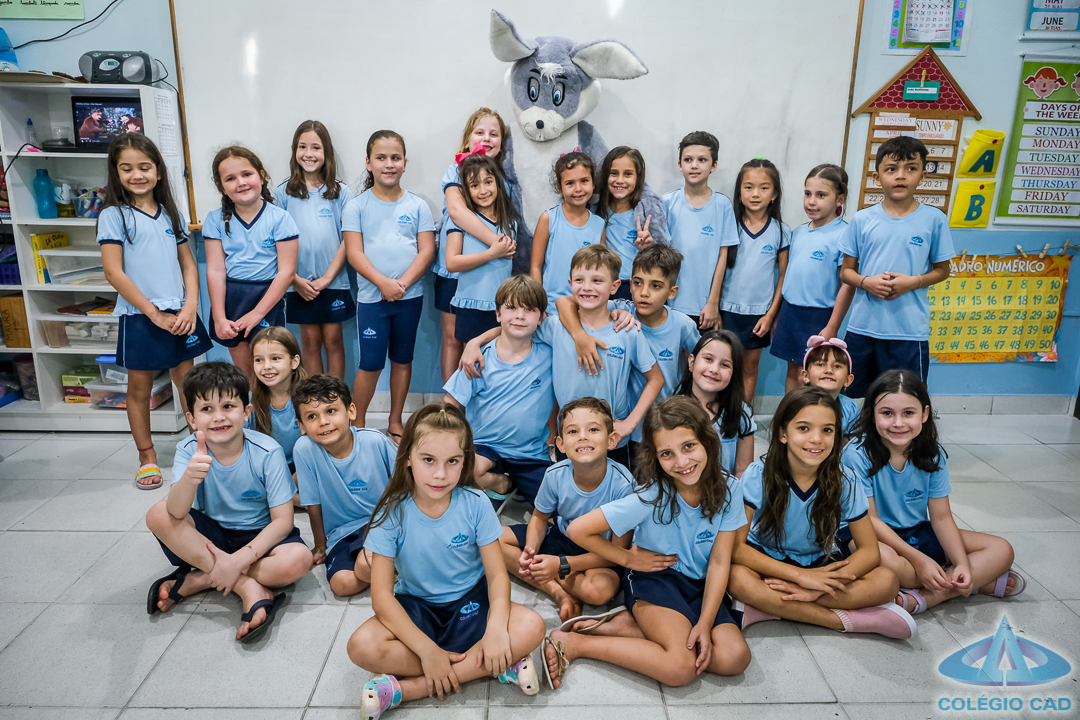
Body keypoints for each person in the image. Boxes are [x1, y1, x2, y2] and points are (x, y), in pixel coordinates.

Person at [346, 403, 545, 718]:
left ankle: (404, 690)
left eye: (453, 461)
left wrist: (495, 629)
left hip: (471, 604)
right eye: (428, 460)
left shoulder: (476, 502)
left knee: (533, 626)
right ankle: (495, 664)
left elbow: (497, 576)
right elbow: (382, 597)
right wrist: (427, 651)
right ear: (407, 457)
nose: (440, 474)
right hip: (417, 606)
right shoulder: (391, 511)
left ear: (465, 460)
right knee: (361, 646)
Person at [545, 396, 751, 689]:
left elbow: (719, 562)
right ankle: (576, 644)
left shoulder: (730, 488)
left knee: (735, 658)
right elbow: (579, 530)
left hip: (699, 584)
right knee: (680, 669)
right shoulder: (651, 495)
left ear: (707, 441)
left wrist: (705, 623)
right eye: (667, 453)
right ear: (655, 456)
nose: (682, 462)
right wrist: (628, 559)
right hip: (655, 578)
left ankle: (629, 627)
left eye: (689, 446)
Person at [729, 386, 917, 639]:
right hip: (766, 558)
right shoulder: (757, 474)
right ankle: (841, 620)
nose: (816, 439)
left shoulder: (846, 479)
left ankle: (769, 607)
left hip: (819, 561)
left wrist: (815, 588)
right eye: (803, 428)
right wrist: (801, 577)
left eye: (827, 430)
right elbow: (736, 548)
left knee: (887, 581)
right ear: (783, 433)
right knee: (736, 578)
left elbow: (870, 552)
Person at [144, 362, 313, 643]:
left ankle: (201, 578)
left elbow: (283, 522)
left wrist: (239, 560)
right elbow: (175, 512)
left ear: (246, 412)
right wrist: (189, 479)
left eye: (228, 406)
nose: (218, 417)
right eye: (206, 409)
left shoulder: (267, 451)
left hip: (258, 537)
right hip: (209, 537)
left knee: (298, 560)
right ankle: (247, 587)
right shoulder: (188, 450)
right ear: (192, 419)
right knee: (158, 513)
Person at [841, 370, 1025, 614]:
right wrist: (920, 560)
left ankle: (928, 594)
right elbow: (870, 520)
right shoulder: (856, 454)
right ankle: (968, 584)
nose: (898, 423)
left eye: (909, 413)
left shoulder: (933, 454)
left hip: (916, 530)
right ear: (872, 414)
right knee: (884, 561)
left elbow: (941, 518)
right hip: (867, 533)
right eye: (887, 413)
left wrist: (962, 563)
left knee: (1002, 549)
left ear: (925, 414)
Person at [97, 133, 212, 489]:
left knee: (187, 382)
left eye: (145, 167)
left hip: (179, 313)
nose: (137, 175)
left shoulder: (170, 214)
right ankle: (147, 457)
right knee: (139, 388)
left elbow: (188, 265)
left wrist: (190, 305)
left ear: (158, 171)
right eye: (127, 168)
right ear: (116, 173)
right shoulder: (113, 216)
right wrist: (153, 313)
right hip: (141, 316)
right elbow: (114, 272)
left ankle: (199, 444)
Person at [839, 137, 955, 396]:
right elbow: (846, 272)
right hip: (862, 328)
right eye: (891, 169)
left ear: (922, 176)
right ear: (877, 177)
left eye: (911, 168)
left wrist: (913, 282)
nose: (901, 176)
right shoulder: (862, 219)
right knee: (851, 398)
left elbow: (943, 270)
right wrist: (866, 282)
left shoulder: (934, 219)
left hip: (909, 332)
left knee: (904, 398)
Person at [499, 397, 634, 621]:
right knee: (494, 540)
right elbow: (539, 518)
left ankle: (551, 571)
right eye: (573, 431)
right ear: (561, 444)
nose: (583, 436)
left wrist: (561, 564)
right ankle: (559, 593)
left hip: (602, 551)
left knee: (599, 591)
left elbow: (619, 554)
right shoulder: (555, 474)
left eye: (593, 429)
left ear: (611, 440)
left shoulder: (624, 485)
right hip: (562, 536)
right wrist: (530, 551)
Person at [343, 130, 435, 440]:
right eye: (381, 158)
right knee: (370, 364)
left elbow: (426, 251)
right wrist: (383, 283)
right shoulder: (356, 207)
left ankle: (395, 421)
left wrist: (402, 284)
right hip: (373, 300)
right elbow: (354, 254)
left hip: (409, 297)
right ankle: (357, 424)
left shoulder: (418, 206)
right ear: (368, 163)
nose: (389, 164)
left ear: (405, 163)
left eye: (395, 158)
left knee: (402, 360)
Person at [444, 275, 554, 505]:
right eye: (511, 308)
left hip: (531, 453)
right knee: (462, 472)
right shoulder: (478, 358)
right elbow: (450, 403)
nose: (520, 316)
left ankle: (522, 484)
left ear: (541, 318)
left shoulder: (550, 354)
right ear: (498, 314)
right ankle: (503, 484)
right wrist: (452, 444)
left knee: (556, 505)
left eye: (529, 309)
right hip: (484, 446)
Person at [292, 374, 395, 598]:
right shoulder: (304, 449)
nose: (323, 422)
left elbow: (407, 481)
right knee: (342, 585)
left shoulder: (374, 441)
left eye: (331, 411)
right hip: (343, 533)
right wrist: (321, 546)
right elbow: (313, 503)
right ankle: (395, 571)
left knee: (365, 567)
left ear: (351, 411)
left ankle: (406, 570)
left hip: (383, 523)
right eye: (312, 416)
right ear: (301, 425)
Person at [203, 146, 299, 381]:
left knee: (270, 371)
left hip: (267, 299)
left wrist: (257, 313)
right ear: (221, 187)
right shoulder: (215, 220)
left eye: (247, 174)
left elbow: (286, 272)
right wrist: (219, 318)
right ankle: (251, 407)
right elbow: (215, 270)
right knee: (245, 373)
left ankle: (275, 406)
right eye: (230, 178)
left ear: (262, 176)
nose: (241, 182)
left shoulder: (280, 218)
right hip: (232, 299)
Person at [434, 108, 512, 381]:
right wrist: (497, 246)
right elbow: (457, 212)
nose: (486, 138)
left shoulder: (503, 179)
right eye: (480, 132)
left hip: (489, 277)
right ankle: (450, 398)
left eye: (494, 134)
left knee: (485, 340)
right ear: (468, 138)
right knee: (453, 338)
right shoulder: (455, 170)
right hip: (453, 271)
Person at [274, 120, 354, 378]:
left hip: (334, 281)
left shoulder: (341, 193)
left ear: (326, 152)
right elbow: (276, 243)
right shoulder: (283, 193)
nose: (309, 154)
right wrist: (295, 280)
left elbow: (349, 239)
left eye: (316, 147)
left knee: (333, 340)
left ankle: (335, 396)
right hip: (298, 284)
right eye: (302, 147)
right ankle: (316, 397)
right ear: (295, 150)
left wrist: (328, 278)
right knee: (309, 342)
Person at [771, 164, 854, 393]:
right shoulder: (797, 233)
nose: (811, 201)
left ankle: (812, 413)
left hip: (819, 316)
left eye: (821, 195)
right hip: (790, 313)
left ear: (840, 199)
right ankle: (791, 414)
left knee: (811, 373)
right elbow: (789, 278)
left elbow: (847, 286)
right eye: (807, 194)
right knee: (793, 371)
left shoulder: (844, 235)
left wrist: (832, 326)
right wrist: (778, 315)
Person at [720, 158, 790, 403]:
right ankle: (719, 415)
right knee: (723, 367)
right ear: (739, 193)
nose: (755, 194)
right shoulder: (729, 226)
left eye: (764, 188)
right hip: (726, 311)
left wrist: (770, 315)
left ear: (775, 194)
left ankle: (744, 416)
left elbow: (783, 278)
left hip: (759, 315)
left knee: (749, 369)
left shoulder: (781, 231)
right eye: (748, 187)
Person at [663, 131, 739, 328]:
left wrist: (713, 302)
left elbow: (723, 257)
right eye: (688, 159)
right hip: (668, 303)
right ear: (680, 164)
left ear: (714, 165)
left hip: (704, 307)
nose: (694, 165)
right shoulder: (667, 203)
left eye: (702, 160)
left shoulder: (722, 205)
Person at [445, 152, 516, 343]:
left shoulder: (510, 224)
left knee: (499, 356)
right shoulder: (460, 222)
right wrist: (491, 254)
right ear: (466, 190)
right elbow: (451, 262)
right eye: (474, 185)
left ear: (498, 183)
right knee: (472, 356)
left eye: (488, 182)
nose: (483, 190)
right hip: (471, 306)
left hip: (502, 306)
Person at [530, 151, 604, 315]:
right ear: (560, 187)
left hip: (586, 311)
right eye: (570, 183)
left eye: (584, 181)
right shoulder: (548, 218)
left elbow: (601, 271)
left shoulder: (599, 225)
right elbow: (535, 267)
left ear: (593, 183)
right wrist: (539, 306)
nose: (578, 189)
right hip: (551, 310)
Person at [676, 330, 756, 478]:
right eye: (708, 359)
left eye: (725, 365)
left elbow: (742, 470)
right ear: (692, 362)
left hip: (725, 491)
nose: (714, 370)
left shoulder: (740, 413)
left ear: (734, 374)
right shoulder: (671, 411)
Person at [596, 146, 666, 300]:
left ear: (638, 177)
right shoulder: (597, 212)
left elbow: (664, 254)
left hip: (637, 287)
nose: (620, 180)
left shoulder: (646, 214)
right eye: (614, 173)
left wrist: (648, 248)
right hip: (606, 286)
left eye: (628, 174)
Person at [247, 327, 306, 504]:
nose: (266, 366)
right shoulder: (249, 402)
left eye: (275, 358)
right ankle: (294, 500)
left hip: (302, 468)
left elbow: (318, 451)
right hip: (268, 467)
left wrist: (286, 486)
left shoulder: (309, 398)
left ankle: (284, 498)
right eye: (259, 360)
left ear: (294, 362)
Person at [801, 336, 860, 438]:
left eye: (837, 366)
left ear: (848, 380)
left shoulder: (850, 408)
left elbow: (853, 440)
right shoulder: (796, 404)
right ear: (806, 376)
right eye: (820, 364)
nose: (828, 370)